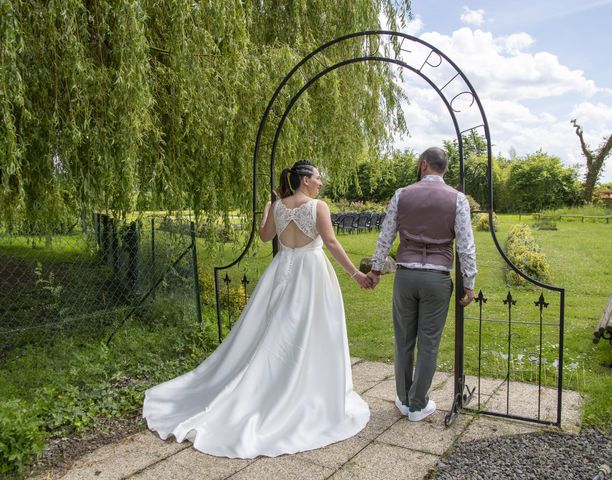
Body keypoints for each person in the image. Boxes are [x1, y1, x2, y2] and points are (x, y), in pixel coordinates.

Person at [143, 160, 372, 458]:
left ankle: (291, 377)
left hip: (282, 270)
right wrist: (356, 274)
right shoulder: (318, 206)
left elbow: (266, 237)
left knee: (279, 328)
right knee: (308, 329)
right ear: (304, 180)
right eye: (317, 177)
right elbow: (330, 241)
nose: (320, 182)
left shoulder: (277, 206)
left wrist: (267, 212)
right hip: (310, 273)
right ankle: (302, 386)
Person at [366, 147, 477, 422]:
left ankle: (403, 399)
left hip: (406, 276)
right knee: (428, 343)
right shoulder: (457, 199)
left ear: (423, 164)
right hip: (437, 277)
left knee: (403, 340)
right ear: (444, 169)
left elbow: (386, 236)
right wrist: (470, 283)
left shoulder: (402, 194)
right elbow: (466, 245)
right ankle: (417, 405)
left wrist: (377, 269)